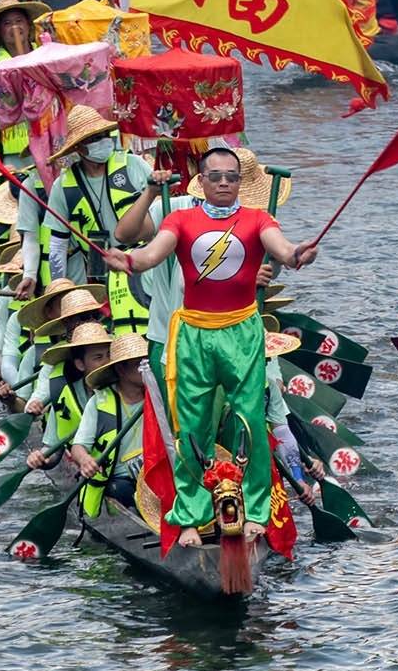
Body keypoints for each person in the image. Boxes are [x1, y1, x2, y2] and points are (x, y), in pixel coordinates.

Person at [96, 143, 318, 544]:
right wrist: (127, 261)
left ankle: (255, 510)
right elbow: (149, 255)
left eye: (231, 177)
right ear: (202, 180)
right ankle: (192, 514)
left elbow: (283, 250)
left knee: (250, 418)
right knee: (191, 426)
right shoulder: (180, 218)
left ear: (239, 183)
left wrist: (298, 254)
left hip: (242, 331)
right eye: (215, 176)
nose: (224, 183)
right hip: (193, 333)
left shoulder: (257, 218)